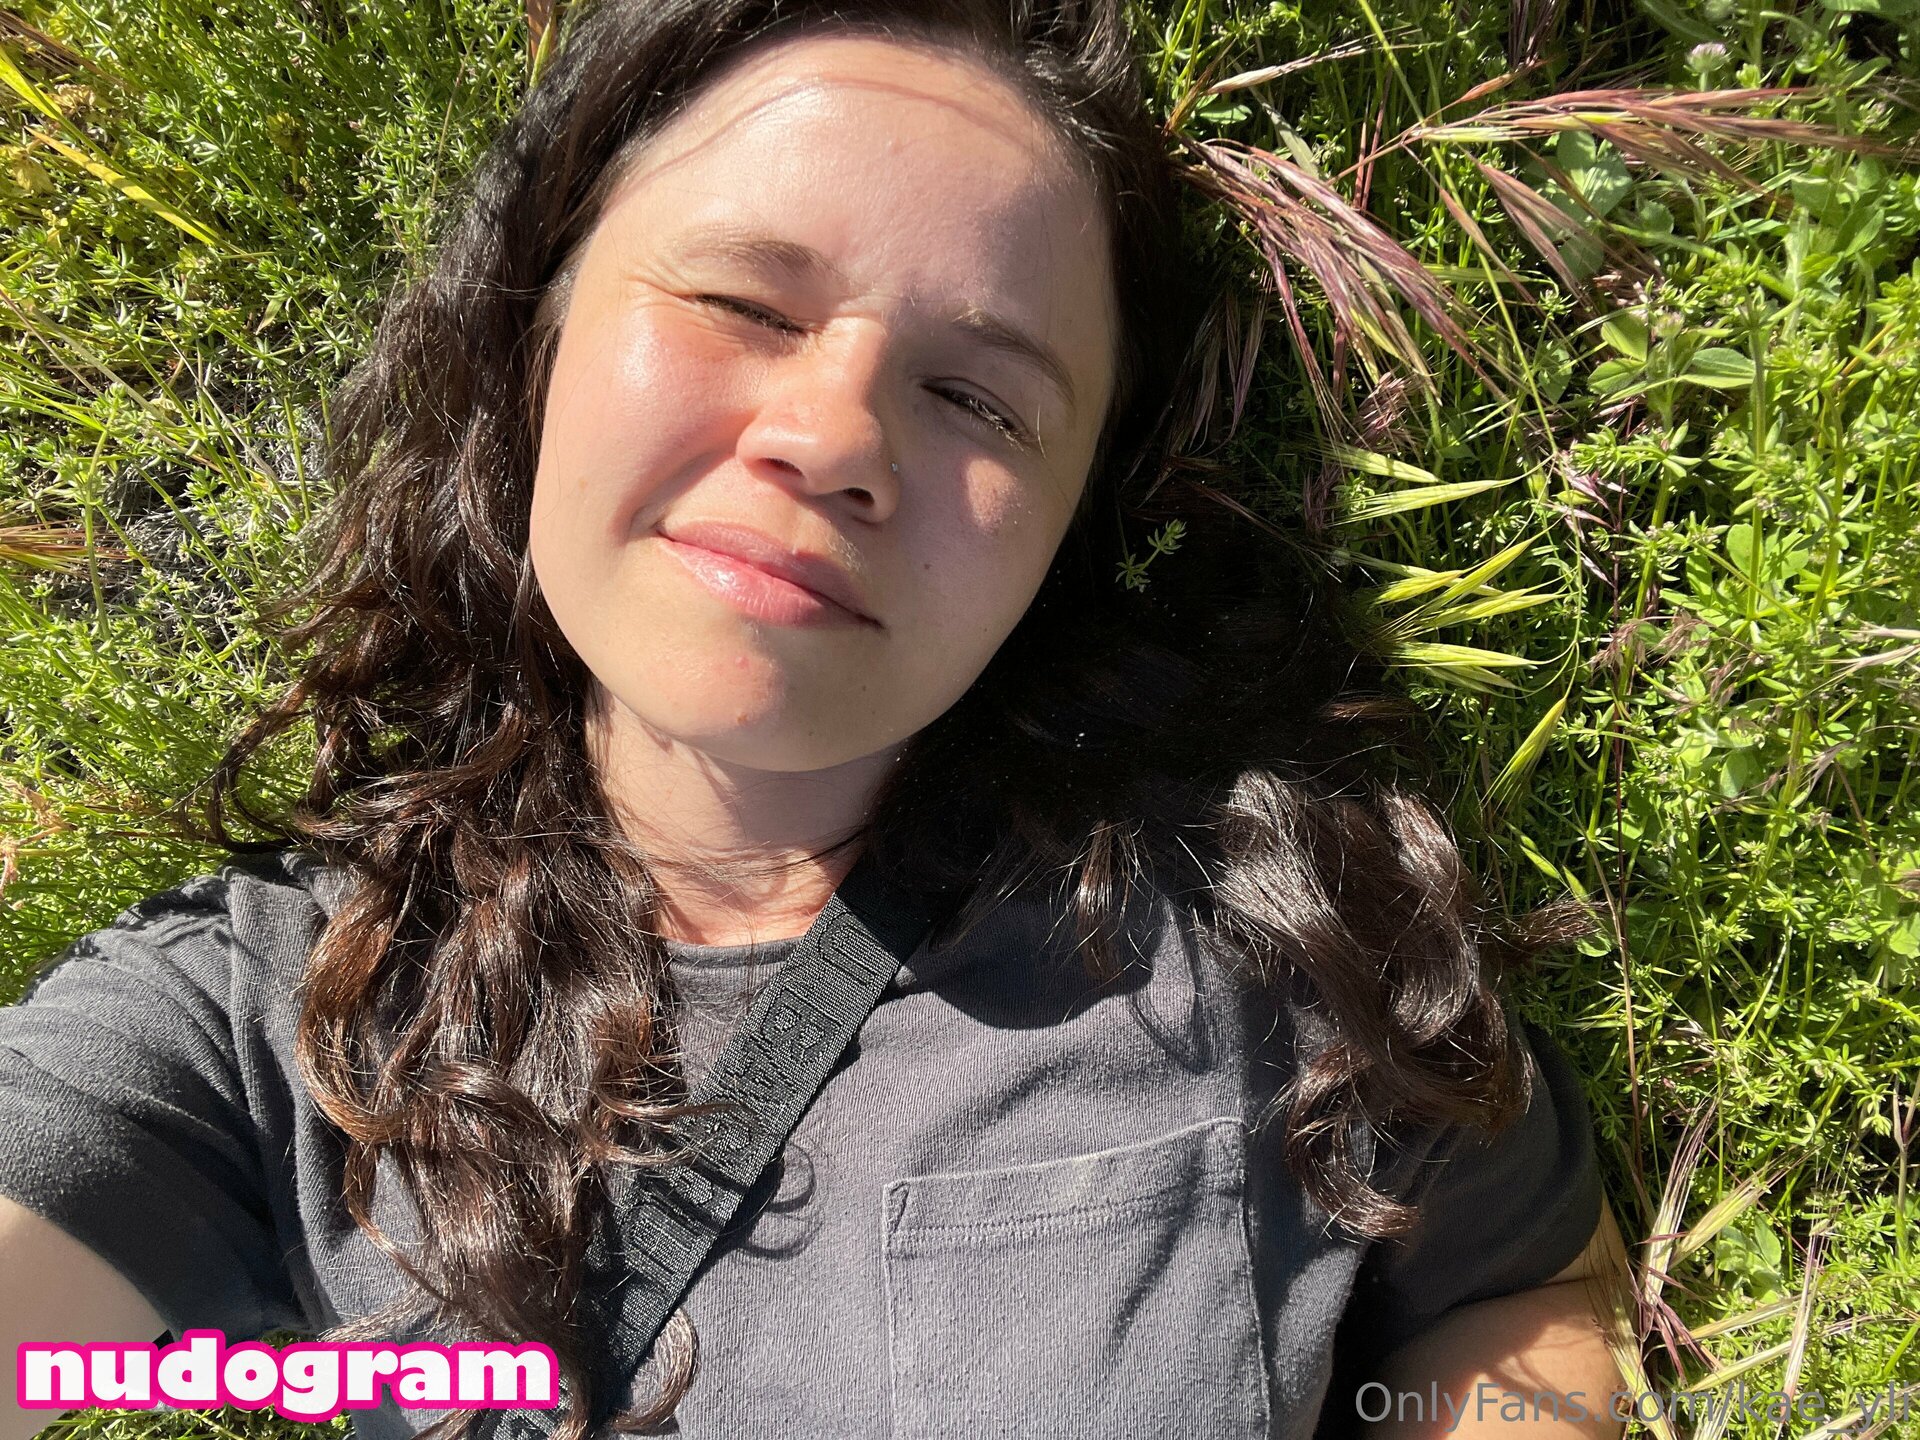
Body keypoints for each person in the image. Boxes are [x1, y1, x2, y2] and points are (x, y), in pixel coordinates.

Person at [0, 1, 1629, 1438]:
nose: (834, 433)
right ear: (536, 334)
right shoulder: (281, 1027)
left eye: (977, 397)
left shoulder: (1266, 929)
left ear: (1072, 526)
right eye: (742, 301)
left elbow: (1519, 1296)